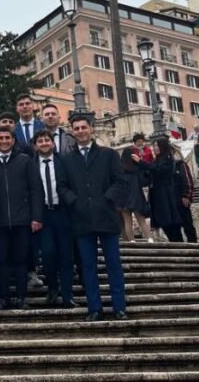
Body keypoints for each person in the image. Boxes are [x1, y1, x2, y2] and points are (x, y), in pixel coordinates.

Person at [62, 115, 128, 321]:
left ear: (91, 129)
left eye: (84, 127)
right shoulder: (67, 159)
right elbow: (62, 186)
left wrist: (106, 199)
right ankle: (94, 308)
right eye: (76, 128)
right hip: (81, 219)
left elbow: (120, 181)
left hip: (107, 216)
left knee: (113, 264)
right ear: (72, 132)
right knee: (88, 266)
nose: (80, 131)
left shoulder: (108, 154)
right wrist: (75, 202)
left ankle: (119, 307)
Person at [0, 126, 43, 310]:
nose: (4, 141)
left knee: (21, 260)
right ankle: (4, 298)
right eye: (0, 138)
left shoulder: (25, 160)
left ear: (13, 140)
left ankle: (21, 297)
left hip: (22, 220)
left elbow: (36, 189)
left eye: (7, 138)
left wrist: (36, 216)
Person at [32, 130, 76, 308]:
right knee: (48, 254)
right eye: (40, 141)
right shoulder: (31, 164)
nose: (44, 143)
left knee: (66, 256)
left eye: (46, 140)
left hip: (63, 213)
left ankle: (67, 294)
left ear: (53, 143)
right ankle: (52, 288)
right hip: (43, 215)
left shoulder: (64, 162)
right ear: (35, 146)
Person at [133, 137, 185, 243]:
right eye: (154, 145)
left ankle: (178, 244)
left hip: (166, 194)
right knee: (164, 223)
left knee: (171, 223)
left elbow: (158, 169)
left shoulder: (168, 159)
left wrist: (141, 162)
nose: (155, 148)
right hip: (158, 195)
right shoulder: (157, 159)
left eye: (157, 145)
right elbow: (151, 169)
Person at [119, 134, 154, 243]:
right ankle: (149, 238)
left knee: (127, 221)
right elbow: (144, 181)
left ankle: (131, 241)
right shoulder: (136, 170)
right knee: (141, 219)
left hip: (123, 199)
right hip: (137, 197)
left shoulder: (119, 172)